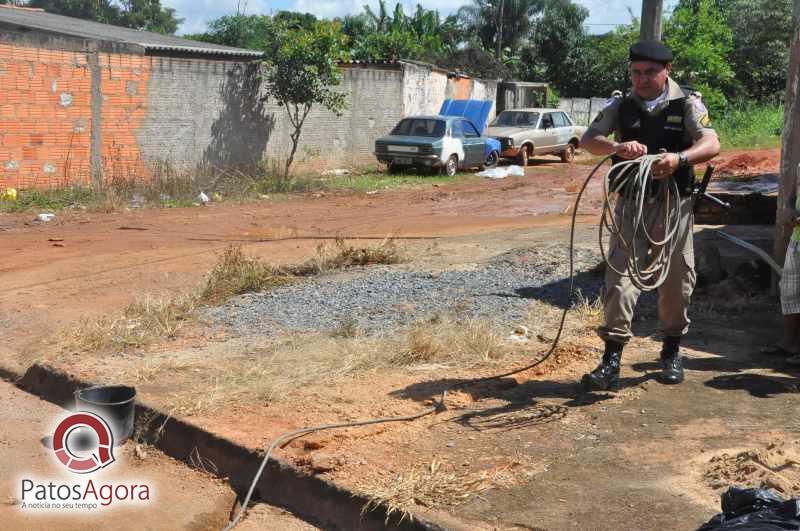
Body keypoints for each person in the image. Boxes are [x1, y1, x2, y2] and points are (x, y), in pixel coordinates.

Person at [579, 41, 721, 390]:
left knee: (677, 278)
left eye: (650, 72)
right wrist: (616, 148)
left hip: (674, 206)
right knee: (619, 278)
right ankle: (611, 358)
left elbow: (711, 142)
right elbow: (588, 139)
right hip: (631, 203)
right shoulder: (621, 104)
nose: (641, 79)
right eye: (636, 72)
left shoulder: (687, 101)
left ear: (666, 71)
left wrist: (679, 160)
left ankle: (671, 349)